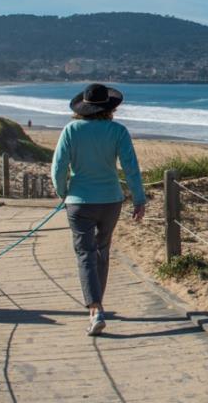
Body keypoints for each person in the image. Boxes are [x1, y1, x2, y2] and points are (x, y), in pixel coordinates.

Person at [50, 84, 145, 335]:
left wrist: (62, 192)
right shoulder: (118, 131)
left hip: (79, 201)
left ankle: (95, 309)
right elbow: (130, 167)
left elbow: (59, 166)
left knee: (85, 253)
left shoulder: (71, 130)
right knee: (101, 251)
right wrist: (139, 198)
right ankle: (98, 305)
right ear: (109, 108)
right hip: (110, 200)